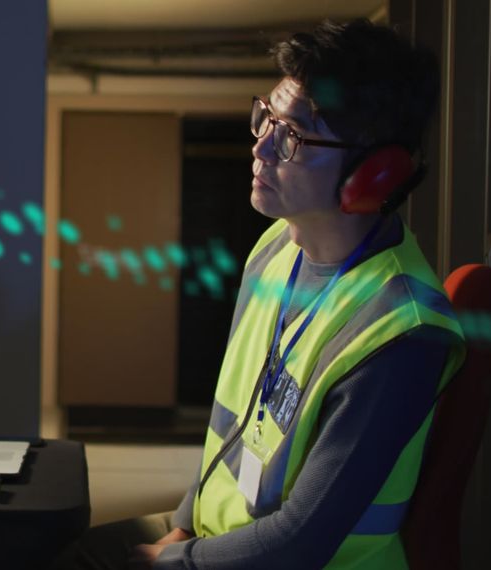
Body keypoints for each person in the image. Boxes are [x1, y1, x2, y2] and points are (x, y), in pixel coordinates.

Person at [55, 19, 465, 570]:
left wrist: (169, 563)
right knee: (39, 542)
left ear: (373, 173)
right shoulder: (276, 248)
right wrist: (181, 526)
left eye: (292, 135)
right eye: (267, 117)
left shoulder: (400, 331)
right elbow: (233, 436)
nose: (262, 146)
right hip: (215, 539)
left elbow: (301, 541)